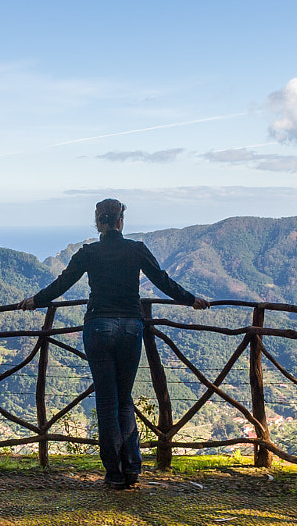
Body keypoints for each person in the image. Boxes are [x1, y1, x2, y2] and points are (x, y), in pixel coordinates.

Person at [18, 199, 208, 490]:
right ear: (121, 221)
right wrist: (190, 299)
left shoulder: (89, 253)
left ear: (98, 222)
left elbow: (62, 283)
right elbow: (163, 281)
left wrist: (35, 301)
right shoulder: (136, 249)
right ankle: (132, 468)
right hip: (131, 326)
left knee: (107, 402)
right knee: (124, 399)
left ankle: (114, 473)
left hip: (98, 326)